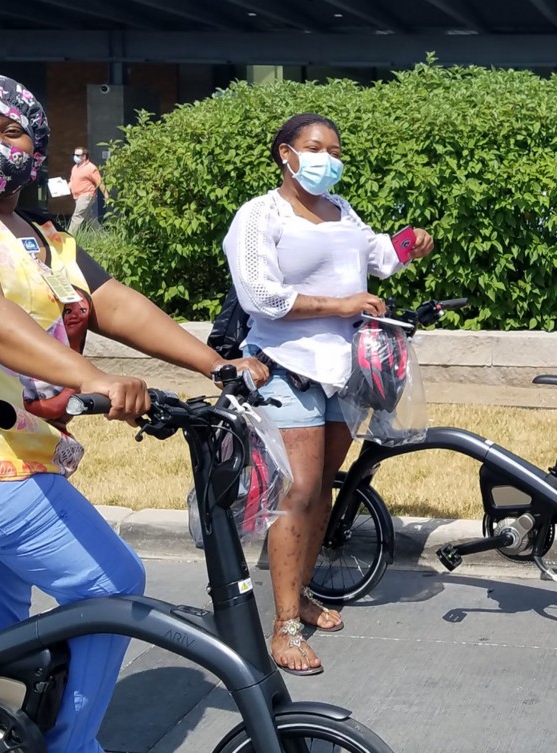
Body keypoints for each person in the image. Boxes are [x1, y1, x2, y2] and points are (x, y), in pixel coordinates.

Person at [0, 72, 268, 753]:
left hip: (1, 459)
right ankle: (70, 745)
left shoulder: (38, 229)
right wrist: (94, 378)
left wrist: (213, 363)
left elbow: (111, 302)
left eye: (11, 131)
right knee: (111, 587)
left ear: (36, 144)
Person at [222, 113, 435, 676]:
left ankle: (302, 596)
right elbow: (261, 297)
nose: (327, 159)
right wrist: (341, 305)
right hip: (285, 366)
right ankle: (284, 625)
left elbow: (379, 259)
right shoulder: (260, 215)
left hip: (346, 371)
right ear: (285, 154)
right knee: (298, 490)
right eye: (316, 148)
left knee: (321, 492)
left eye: (335, 151)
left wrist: (412, 242)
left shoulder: (342, 210)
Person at [68, 146, 107, 231]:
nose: (75, 157)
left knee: (77, 216)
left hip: (87, 195)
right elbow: (72, 181)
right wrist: (62, 189)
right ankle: (102, 234)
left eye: (77, 155)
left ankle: (69, 236)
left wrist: (106, 196)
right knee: (89, 217)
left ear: (84, 156)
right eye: (74, 155)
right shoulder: (75, 168)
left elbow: (99, 182)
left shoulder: (91, 168)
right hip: (77, 196)